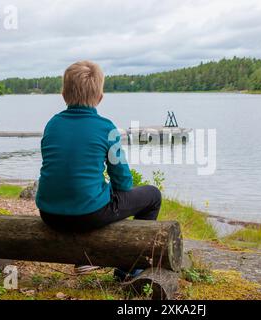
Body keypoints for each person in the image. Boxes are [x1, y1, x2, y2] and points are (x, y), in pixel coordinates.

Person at [35, 60, 162, 279]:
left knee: (93, 197)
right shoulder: (106, 128)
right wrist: (106, 190)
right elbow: (123, 182)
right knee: (153, 195)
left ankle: (88, 258)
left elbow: (61, 167)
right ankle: (129, 265)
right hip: (88, 215)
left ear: (63, 94)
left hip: (49, 213)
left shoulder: (52, 124)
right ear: (100, 97)